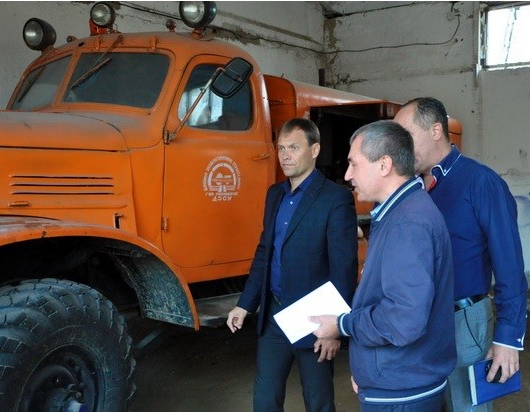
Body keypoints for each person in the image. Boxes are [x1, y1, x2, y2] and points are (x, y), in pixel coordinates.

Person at [310, 120, 457, 411]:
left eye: (354, 164)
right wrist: (368, 370)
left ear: (384, 165)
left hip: (401, 389)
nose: (347, 174)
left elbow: (404, 320)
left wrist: (341, 324)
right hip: (396, 378)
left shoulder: (407, 223)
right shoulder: (401, 212)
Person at [394, 97, 528, 411]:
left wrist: (507, 337)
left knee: (465, 405)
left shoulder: (481, 182)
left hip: (464, 322)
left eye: (406, 136)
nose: (399, 148)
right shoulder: (408, 189)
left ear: (435, 131)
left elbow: (509, 265)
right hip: (416, 323)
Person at [226, 118, 358, 412]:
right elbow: (265, 252)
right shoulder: (275, 194)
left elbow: (344, 270)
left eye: (293, 148)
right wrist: (245, 304)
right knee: (265, 399)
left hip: (314, 319)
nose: (285, 156)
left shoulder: (336, 199)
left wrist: (334, 328)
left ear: (315, 150)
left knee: (318, 401)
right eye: (281, 148)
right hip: (273, 314)